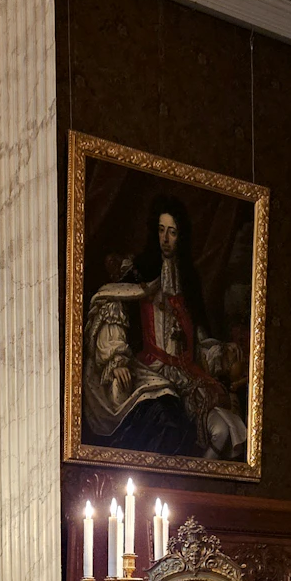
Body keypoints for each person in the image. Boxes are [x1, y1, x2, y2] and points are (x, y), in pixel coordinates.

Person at [80, 196, 246, 459]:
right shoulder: (140, 274)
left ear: (181, 236)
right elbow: (111, 303)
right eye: (161, 230)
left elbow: (197, 342)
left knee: (226, 428)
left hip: (185, 374)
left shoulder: (188, 283)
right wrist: (116, 358)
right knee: (168, 419)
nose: (166, 239)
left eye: (172, 232)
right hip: (150, 370)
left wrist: (220, 353)